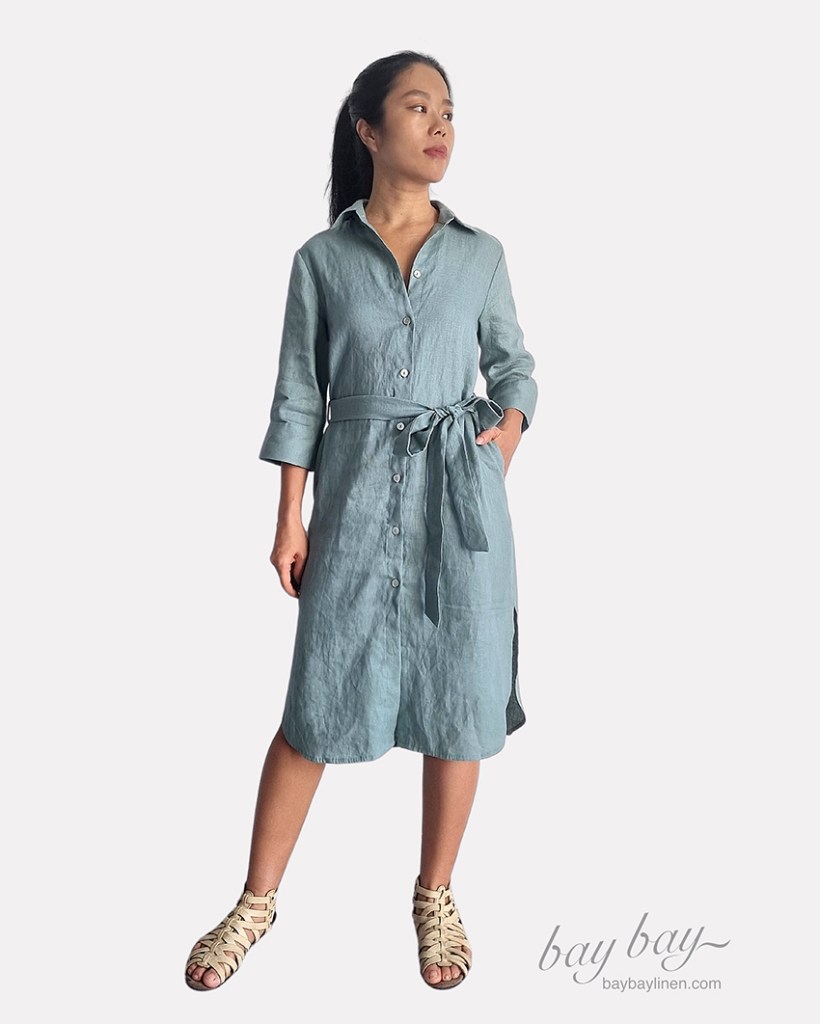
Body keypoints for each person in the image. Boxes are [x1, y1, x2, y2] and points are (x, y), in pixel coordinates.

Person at [185, 49, 538, 993]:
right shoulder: (322, 260)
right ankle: (256, 902)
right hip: (353, 501)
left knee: (460, 699)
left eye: (449, 110)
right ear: (369, 129)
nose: (441, 124)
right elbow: (299, 395)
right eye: (418, 107)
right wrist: (288, 518)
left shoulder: (481, 255)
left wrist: (498, 447)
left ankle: (435, 894)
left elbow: (515, 368)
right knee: (317, 702)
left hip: (462, 507)